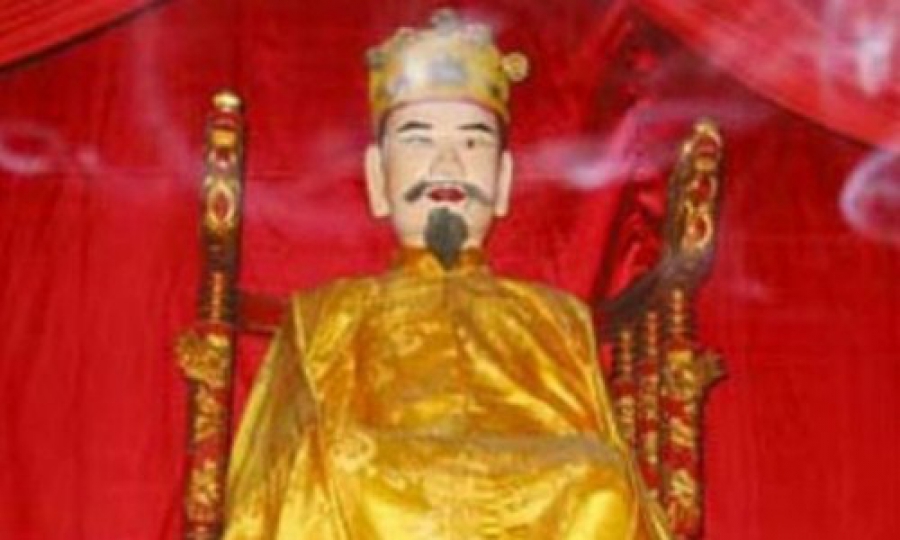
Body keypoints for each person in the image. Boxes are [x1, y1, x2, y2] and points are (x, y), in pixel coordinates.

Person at [223, 9, 671, 540]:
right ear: (377, 178)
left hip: (534, 488)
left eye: (473, 142)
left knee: (600, 479)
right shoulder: (326, 314)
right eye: (418, 139)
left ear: (503, 180)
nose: (448, 165)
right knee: (336, 459)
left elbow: (594, 445)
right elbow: (277, 470)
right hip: (379, 489)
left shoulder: (555, 318)